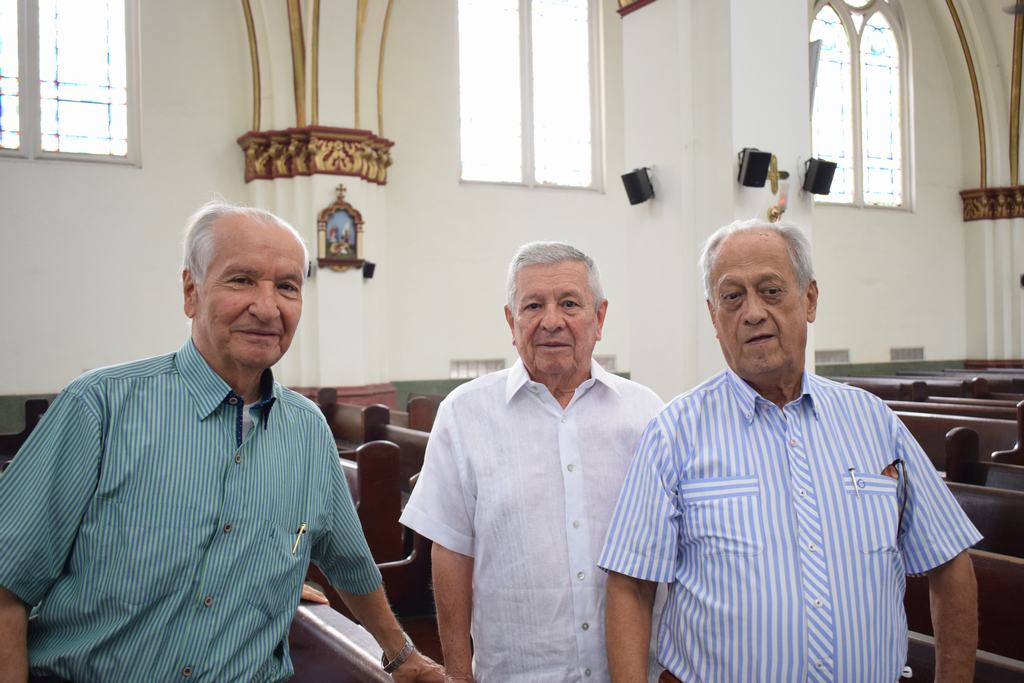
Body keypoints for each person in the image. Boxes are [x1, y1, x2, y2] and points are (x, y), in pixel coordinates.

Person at [0, 201, 444, 683]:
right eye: (242, 280)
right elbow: (7, 584)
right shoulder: (100, 407)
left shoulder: (307, 431)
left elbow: (350, 562)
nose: (267, 306)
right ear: (191, 291)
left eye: (287, 287)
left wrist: (403, 657)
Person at [599, 218, 981, 683]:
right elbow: (630, 586)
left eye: (771, 291)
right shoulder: (674, 434)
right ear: (713, 316)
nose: (753, 312)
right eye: (732, 297)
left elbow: (949, 560)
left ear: (810, 299)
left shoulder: (875, 423)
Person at [400, 242, 664, 683]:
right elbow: (450, 550)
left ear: (599, 318)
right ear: (511, 320)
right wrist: (460, 674)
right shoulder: (465, 413)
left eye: (569, 304)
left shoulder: (646, 414)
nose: (551, 320)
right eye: (533, 305)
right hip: (515, 671)